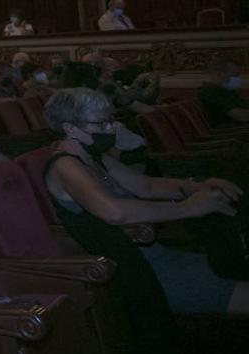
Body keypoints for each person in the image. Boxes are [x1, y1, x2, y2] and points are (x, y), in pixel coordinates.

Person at [42, 88, 248, 351]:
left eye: (110, 121)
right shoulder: (65, 165)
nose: (110, 129)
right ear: (70, 127)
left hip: (154, 255)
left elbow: (146, 186)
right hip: (137, 271)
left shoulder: (93, 156)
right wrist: (189, 208)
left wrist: (196, 186)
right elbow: (115, 212)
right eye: (100, 123)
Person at [199, 58, 248, 127]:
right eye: (235, 75)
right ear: (219, 74)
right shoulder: (210, 93)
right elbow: (242, 116)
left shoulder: (227, 90)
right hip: (231, 133)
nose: (238, 79)